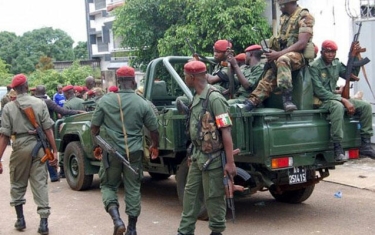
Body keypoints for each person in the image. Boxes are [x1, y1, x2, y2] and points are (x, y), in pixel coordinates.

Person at [91, 65, 159, 235]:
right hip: (134, 153)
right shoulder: (142, 103)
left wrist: (97, 146)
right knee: (133, 189)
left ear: (119, 82)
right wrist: (154, 146)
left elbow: (94, 129)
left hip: (111, 153)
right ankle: (132, 229)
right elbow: (154, 129)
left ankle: (117, 220)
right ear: (134, 82)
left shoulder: (105, 100)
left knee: (108, 185)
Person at [177, 61, 236, 235]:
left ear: (192, 77)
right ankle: (184, 231)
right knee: (190, 196)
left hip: (214, 159)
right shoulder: (196, 96)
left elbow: (226, 131)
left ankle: (216, 231)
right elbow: (196, 128)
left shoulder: (215, 98)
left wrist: (230, 163)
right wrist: (191, 152)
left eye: (186, 76)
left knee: (214, 197)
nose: (184, 79)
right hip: (197, 157)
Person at [0, 74, 58, 235]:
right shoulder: (39, 103)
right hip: (39, 147)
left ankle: (20, 220)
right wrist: (54, 150)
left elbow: (4, 136)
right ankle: (44, 223)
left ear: (14, 89)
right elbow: (48, 130)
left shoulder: (8, 107)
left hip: (19, 146)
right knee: (40, 183)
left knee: (17, 182)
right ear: (26, 86)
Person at [243, 0, 315, 112]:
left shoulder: (305, 16)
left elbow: (302, 43)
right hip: (284, 54)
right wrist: (272, 54)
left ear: (287, 3)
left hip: (299, 56)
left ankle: (287, 99)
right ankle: (253, 100)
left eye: (280, 5)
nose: (279, 7)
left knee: (282, 60)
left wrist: (278, 54)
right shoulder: (284, 18)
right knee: (271, 71)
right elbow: (282, 41)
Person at [310, 40, 375, 161]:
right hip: (321, 100)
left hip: (335, 97)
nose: (331, 55)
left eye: (333, 52)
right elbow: (319, 91)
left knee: (366, 106)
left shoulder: (336, 64)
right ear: (322, 52)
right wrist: (343, 100)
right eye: (328, 52)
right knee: (337, 106)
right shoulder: (315, 67)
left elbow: (350, 75)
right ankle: (337, 147)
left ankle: (366, 144)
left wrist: (353, 57)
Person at [34, 85, 85, 182]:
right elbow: (63, 111)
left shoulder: (32, 102)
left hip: (33, 130)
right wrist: (77, 112)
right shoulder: (48, 102)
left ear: (35, 92)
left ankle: (39, 176)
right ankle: (53, 175)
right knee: (48, 151)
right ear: (45, 93)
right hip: (47, 129)